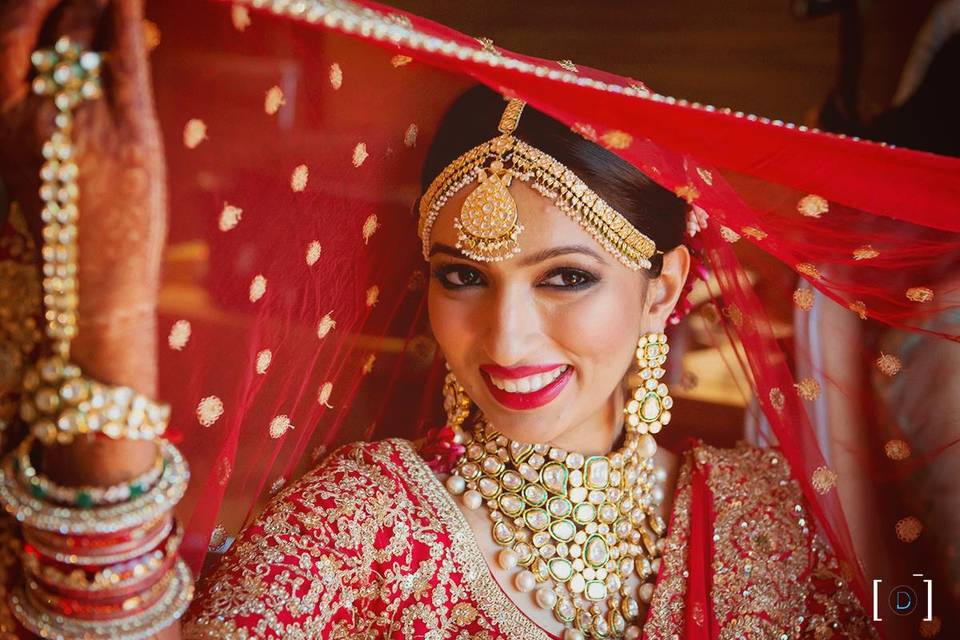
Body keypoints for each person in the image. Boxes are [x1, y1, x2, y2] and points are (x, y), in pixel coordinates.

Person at [0, 1, 957, 639]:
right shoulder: (356, 530)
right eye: (463, 275)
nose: (504, 341)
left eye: (566, 279)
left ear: (663, 290)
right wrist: (112, 310)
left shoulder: (762, 526)